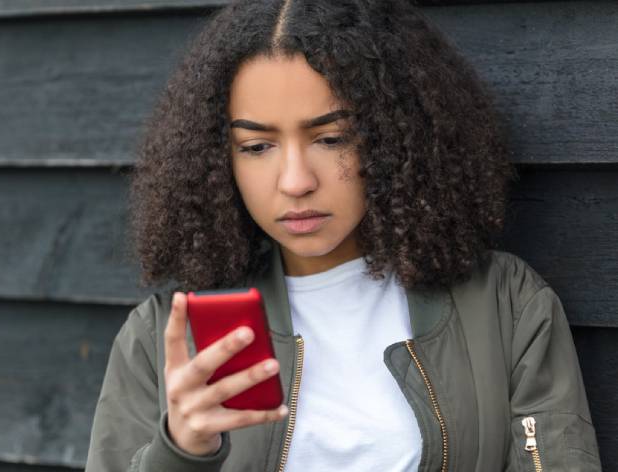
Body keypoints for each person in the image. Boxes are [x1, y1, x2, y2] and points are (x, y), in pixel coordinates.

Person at [85, 0, 602, 470]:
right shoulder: (162, 337)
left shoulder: (505, 304)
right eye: (257, 146)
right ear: (218, 159)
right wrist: (181, 454)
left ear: (393, 136)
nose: (295, 181)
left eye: (331, 138)